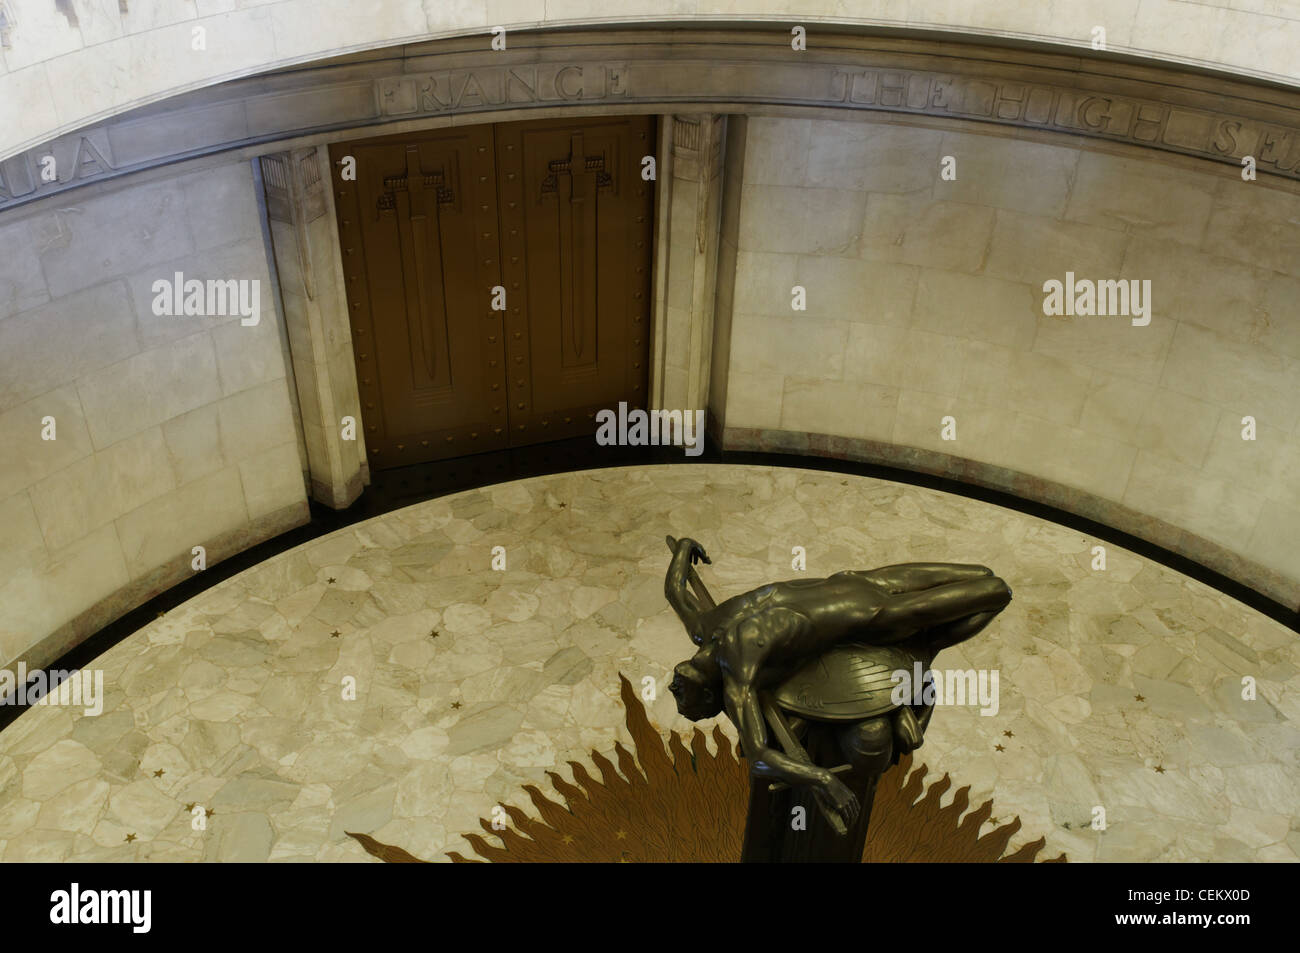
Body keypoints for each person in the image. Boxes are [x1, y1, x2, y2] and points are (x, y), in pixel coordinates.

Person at [665, 535, 1011, 832]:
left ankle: (921, 651)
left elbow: (758, 756)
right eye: (683, 692)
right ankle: (921, 651)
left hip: (869, 599)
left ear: (715, 692)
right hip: (865, 596)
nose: (675, 687)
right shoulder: (709, 632)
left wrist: (824, 779)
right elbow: (677, 591)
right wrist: (684, 548)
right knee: (994, 587)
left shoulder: (735, 665)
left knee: (989, 585)